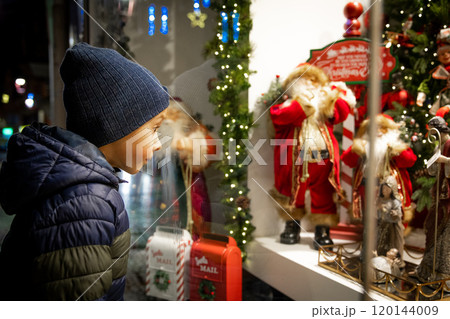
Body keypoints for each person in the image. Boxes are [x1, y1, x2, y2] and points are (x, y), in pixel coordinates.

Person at [0, 42, 169, 300]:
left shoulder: (82, 186)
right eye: (154, 129)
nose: (158, 144)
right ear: (116, 124)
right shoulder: (85, 202)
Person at [269, 63, 355, 241]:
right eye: (305, 80)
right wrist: (306, 102)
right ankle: (292, 226)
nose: (310, 83)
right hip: (295, 160)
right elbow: (285, 115)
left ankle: (322, 230)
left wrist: (335, 96)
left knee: (324, 194)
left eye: (314, 80)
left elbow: (342, 111)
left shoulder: (324, 107)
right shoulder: (286, 106)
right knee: (294, 193)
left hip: (322, 158)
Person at [416, 116, 450, 283]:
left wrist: (446, 161)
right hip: (439, 193)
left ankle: (442, 275)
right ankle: (427, 269)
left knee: (444, 235)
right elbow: (433, 170)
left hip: (447, 196)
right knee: (432, 227)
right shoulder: (441, 146)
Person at [376, 176, 405, 261]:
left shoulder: (394, 201)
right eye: (383, 189)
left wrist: (395, 213)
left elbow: (398, 214)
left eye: (387, 189)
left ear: (392, 190)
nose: (384, 191)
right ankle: (380, 258)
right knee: (381, 243)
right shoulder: (380, 200)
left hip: (392, 227)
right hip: (382, 225)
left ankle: (393, 261)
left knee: (392, 244)